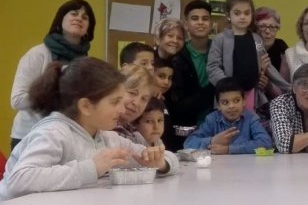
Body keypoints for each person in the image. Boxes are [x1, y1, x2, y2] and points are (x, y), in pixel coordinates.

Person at [0, 57, 178, 201]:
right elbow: (19, 180)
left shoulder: (108, 138)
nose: (123, 109)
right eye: (115, 102)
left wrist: (159, 162)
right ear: (86, 106)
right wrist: (91, 168)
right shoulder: (53, 133)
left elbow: (168, 158)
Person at [10, 0, 96, 150]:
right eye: (74, 13)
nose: (79, 18)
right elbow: (16, 100)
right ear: (60, 20)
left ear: (88, 28)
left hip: (68, 138)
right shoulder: (38, 54)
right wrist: (53, 95)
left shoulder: (87, 62)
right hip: (30, 136)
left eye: (85, 17)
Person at [207, 0, 288, 112]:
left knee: (248, 124)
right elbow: (213, 67)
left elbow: (268, 65)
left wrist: (287, 86)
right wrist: (228, 86)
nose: (242, 17)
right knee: (230, 126)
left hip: (251, 94)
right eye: (237, 13)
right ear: (228, 15)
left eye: (247, 13)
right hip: (228, 96)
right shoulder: (220, 39)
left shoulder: (257, 39)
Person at [164, 0, 215, 151]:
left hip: (219, 124)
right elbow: (177, 103)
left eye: (205, 19)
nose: (200, 22)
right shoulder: (177, 57)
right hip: (187, 131)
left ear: (211, 24)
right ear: (186, 25)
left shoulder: (220, 49)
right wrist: (211, 92)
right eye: (195, 18)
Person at [184, 77, 273, 154]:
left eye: (236, 100)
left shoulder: (251, 118)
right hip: (218, 168)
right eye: (225, 102)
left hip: (245, 167)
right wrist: (212, 140)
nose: (231, 106)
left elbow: (266, 143)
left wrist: (229, 149)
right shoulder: (212, 119)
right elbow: (188, 143)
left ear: (244, 101)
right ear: (218, 105)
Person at [114, 65, 155, 143]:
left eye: (144, 99)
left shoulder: (135, 133)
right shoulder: (103, 130)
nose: (136, 103)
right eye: (132, 93)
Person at [255, 6, 289, 71]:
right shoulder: (248, 47)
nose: (267, 31)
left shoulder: (281, 47)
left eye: (272, 27)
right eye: (262, 26)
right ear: (254, 28)